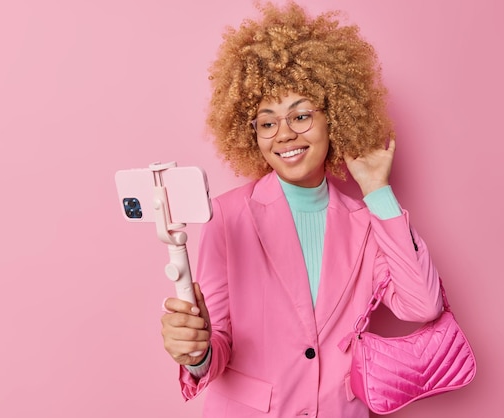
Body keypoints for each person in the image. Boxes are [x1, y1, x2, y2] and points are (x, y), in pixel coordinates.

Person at [161, 2, 443, 417]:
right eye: (268, 121)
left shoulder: (368, 223)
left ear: (335, 117)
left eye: (302, 115)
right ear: (250, 131)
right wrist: (196, 351)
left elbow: (423, 306)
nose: (285, 133)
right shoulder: (225, 216)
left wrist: (377, 191)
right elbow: (215, 347)